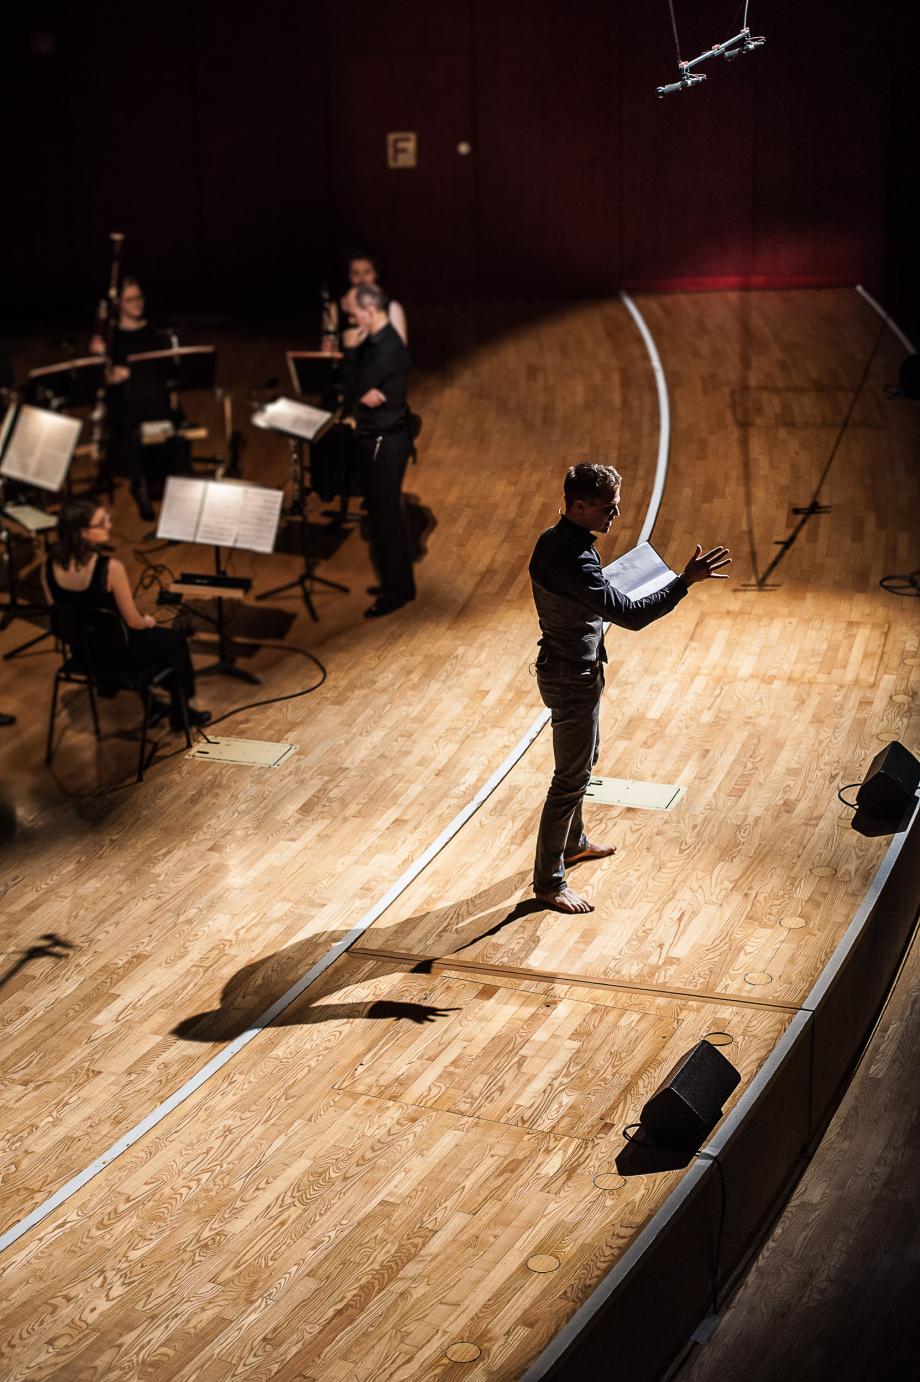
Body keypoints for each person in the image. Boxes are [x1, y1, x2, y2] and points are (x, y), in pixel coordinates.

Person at [529, 462, 731, 913]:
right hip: (570, 677)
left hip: (574, 669)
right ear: (578, 506)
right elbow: (632, 617)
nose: (615, 516)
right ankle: (548, 882)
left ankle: (573, 842)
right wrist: (683, 582)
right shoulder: (573, 557)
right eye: (608, 508)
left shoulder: (558, 540)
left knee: (584, 763)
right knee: (569, 779)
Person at [41, 499, 211, 731]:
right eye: (102, 523)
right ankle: (182, 713)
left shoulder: (47, 566)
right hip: (120, 652)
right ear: (82, 532)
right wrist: (147, 621)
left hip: (83, 652)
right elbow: (133, 622)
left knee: (147, 639)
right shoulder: (110, 568)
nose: (109, 525)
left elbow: (59, 614)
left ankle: (152, 705)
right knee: (176, 640)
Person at [342, 282, 416, 617]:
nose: (352, 320)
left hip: (385, 443)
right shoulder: (375, 342)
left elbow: (351, 387)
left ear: (369, 310)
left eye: (355, 314)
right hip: (377, 439)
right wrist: (361, 388)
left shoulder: (387, 349)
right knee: (380, 517)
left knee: (386, 520)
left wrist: (349, 353)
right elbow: (358, 390)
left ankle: (396, 591)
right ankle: (395, 582)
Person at [89, 278, 187, 520]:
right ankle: (140, 486)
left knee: (176, 422)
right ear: (118, 305)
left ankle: (175, 488)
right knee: (128, 424)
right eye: (130, 299)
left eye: (139, 297)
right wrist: (103, 364)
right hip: (125, 401)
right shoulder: (111, 337)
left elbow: (169, 369)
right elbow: (99, 377)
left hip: (154, 398)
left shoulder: (155, 331)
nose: (137, 303)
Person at [323, 251, 408, 352]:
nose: (361, 279)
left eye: (367, 272)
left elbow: (399, 349)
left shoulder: (392, 307)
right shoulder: (336, 308)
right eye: (356, 273)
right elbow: (328, 349)